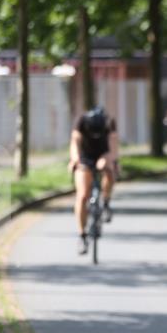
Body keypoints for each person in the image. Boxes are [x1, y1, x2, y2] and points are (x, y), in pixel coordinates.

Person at [69, 106, 118, 254]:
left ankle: (106, 201)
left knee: (110, 172)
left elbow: (114, 147)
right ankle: (82, 235)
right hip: (85, 156)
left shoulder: (109, 122)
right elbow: (75, 142)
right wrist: (75, 159)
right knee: (82, 195)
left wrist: (108, 159)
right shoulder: (81, 121)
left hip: (104, 152)